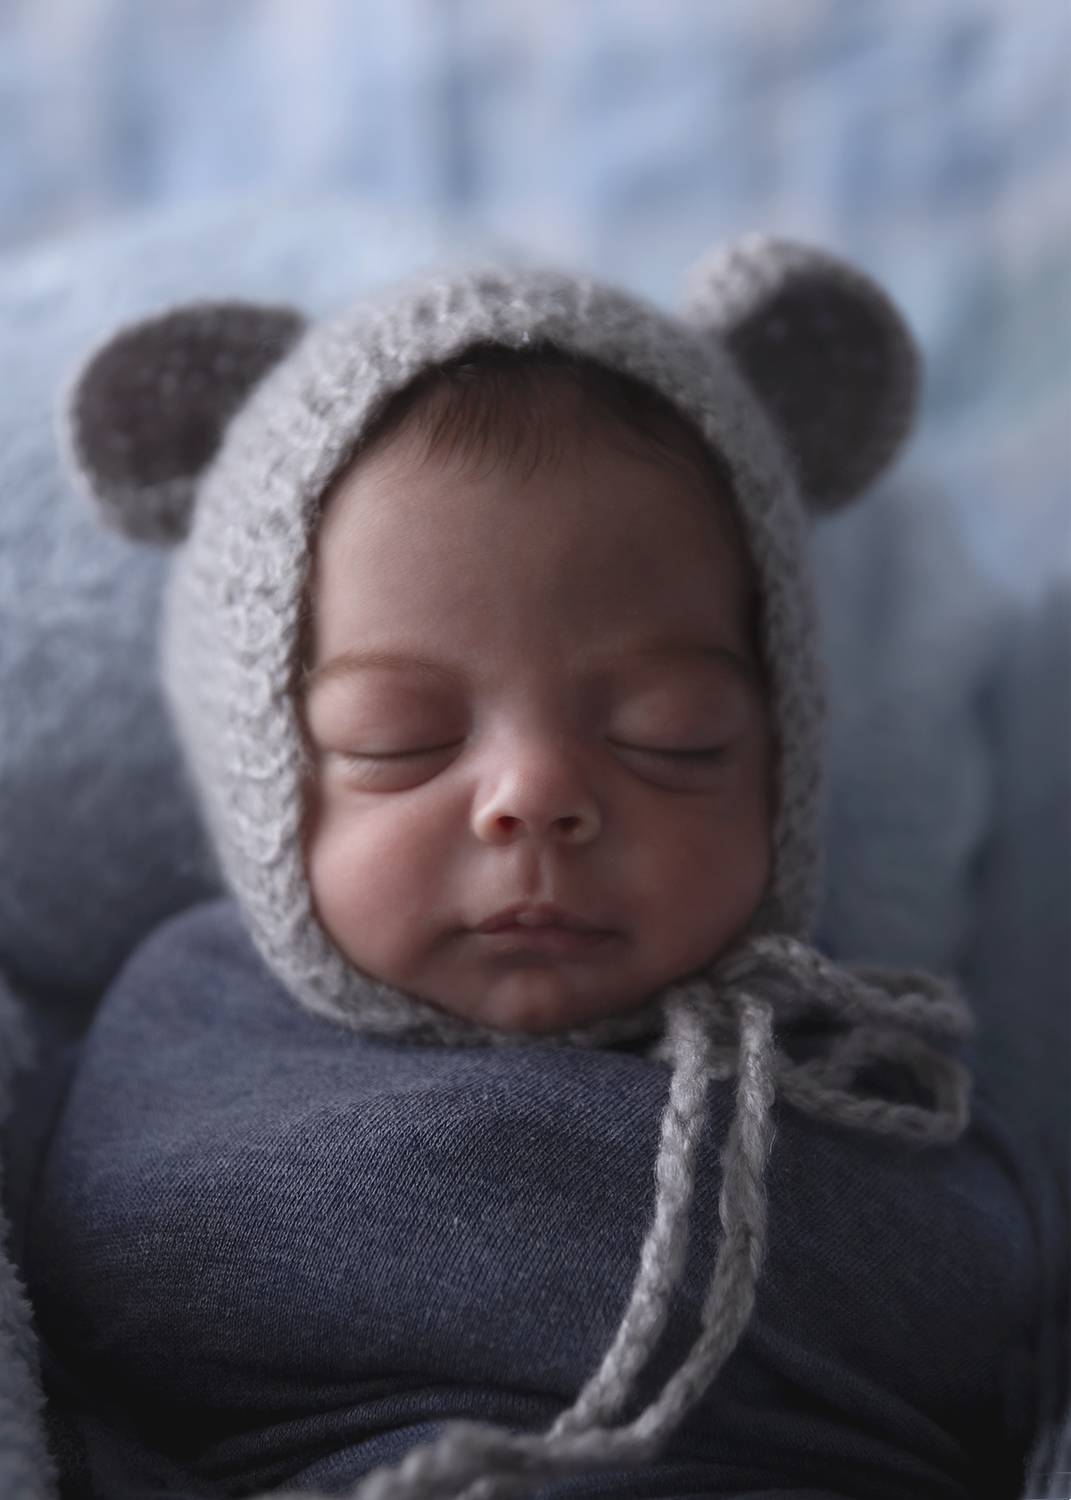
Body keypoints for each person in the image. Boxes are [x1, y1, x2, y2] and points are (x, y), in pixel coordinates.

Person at [20, 239, 1043, 1499]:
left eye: (671, 737)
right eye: (398, 738)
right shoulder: (176, 1046)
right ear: (259, 777)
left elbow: (990, 1333)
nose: (536, 798)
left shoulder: (849, 1070)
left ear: (780, 762)